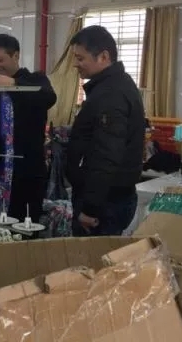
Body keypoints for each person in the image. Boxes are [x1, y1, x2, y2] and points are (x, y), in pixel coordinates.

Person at [66, 25, 145, 237]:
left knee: (93, 257)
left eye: (80, 58)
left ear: (103, 57)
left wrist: (90, 208)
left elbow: (106, 154)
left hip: (104, 204)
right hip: (108, 198)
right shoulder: (113, 86)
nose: (75, 64)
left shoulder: (111, 95)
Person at [0, 34, 57, 223]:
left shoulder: (36, 79)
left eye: (0, 60)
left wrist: (13, 84)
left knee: (26, 226)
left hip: (28, 171)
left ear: (15, 56)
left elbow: (49, 97)